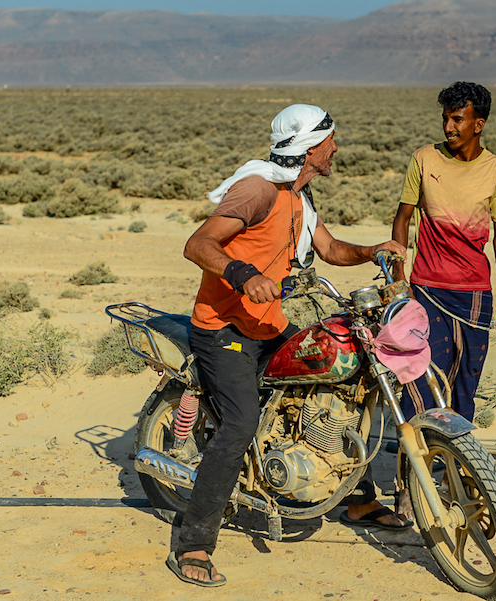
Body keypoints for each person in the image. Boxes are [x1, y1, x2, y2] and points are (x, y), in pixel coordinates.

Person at [169, 104, 409, 588]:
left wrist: (371, 251)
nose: (336, 148)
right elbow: (199, 244)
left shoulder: (301, 194)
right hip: (223, 330)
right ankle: (193, 541)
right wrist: (243, 274)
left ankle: (358, 499)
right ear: (309, 147)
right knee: (239, 425)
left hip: (268, 323)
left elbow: (328, 249)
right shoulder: (257, 189)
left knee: (336, 386)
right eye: (330, 141)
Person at [392, 81, 496, 423]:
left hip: (474, 295)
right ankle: (412, 462)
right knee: (422, 377)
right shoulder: (423, 158)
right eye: (446, 118)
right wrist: (399, 277)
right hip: (426, 290)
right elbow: (402, 218)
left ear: (479, 124)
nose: (449, 127)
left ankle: (454, 466)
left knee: (465, 385)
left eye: (458, 119)